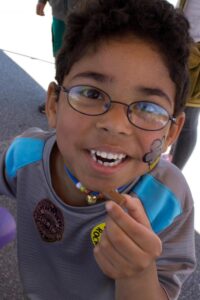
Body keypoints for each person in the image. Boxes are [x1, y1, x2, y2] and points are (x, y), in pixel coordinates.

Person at [0, 0, 196, 299]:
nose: (115, 125)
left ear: (171, 131)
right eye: (91, 93)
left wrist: (136, 274)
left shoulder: (167, 202)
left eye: (147, 107)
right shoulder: (25, 156)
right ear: (53, 104)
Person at [170, 0, 200, 169]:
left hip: (194, 49)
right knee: (175, 108)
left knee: (188, 117)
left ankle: (176, 169)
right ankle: (170, 159)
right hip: (184, 41)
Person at [36, 0, 69, 113]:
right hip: (59, 14)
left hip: (86, 14)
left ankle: (78, 99)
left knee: (84, 57)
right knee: (60, 57)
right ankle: (60, 98)